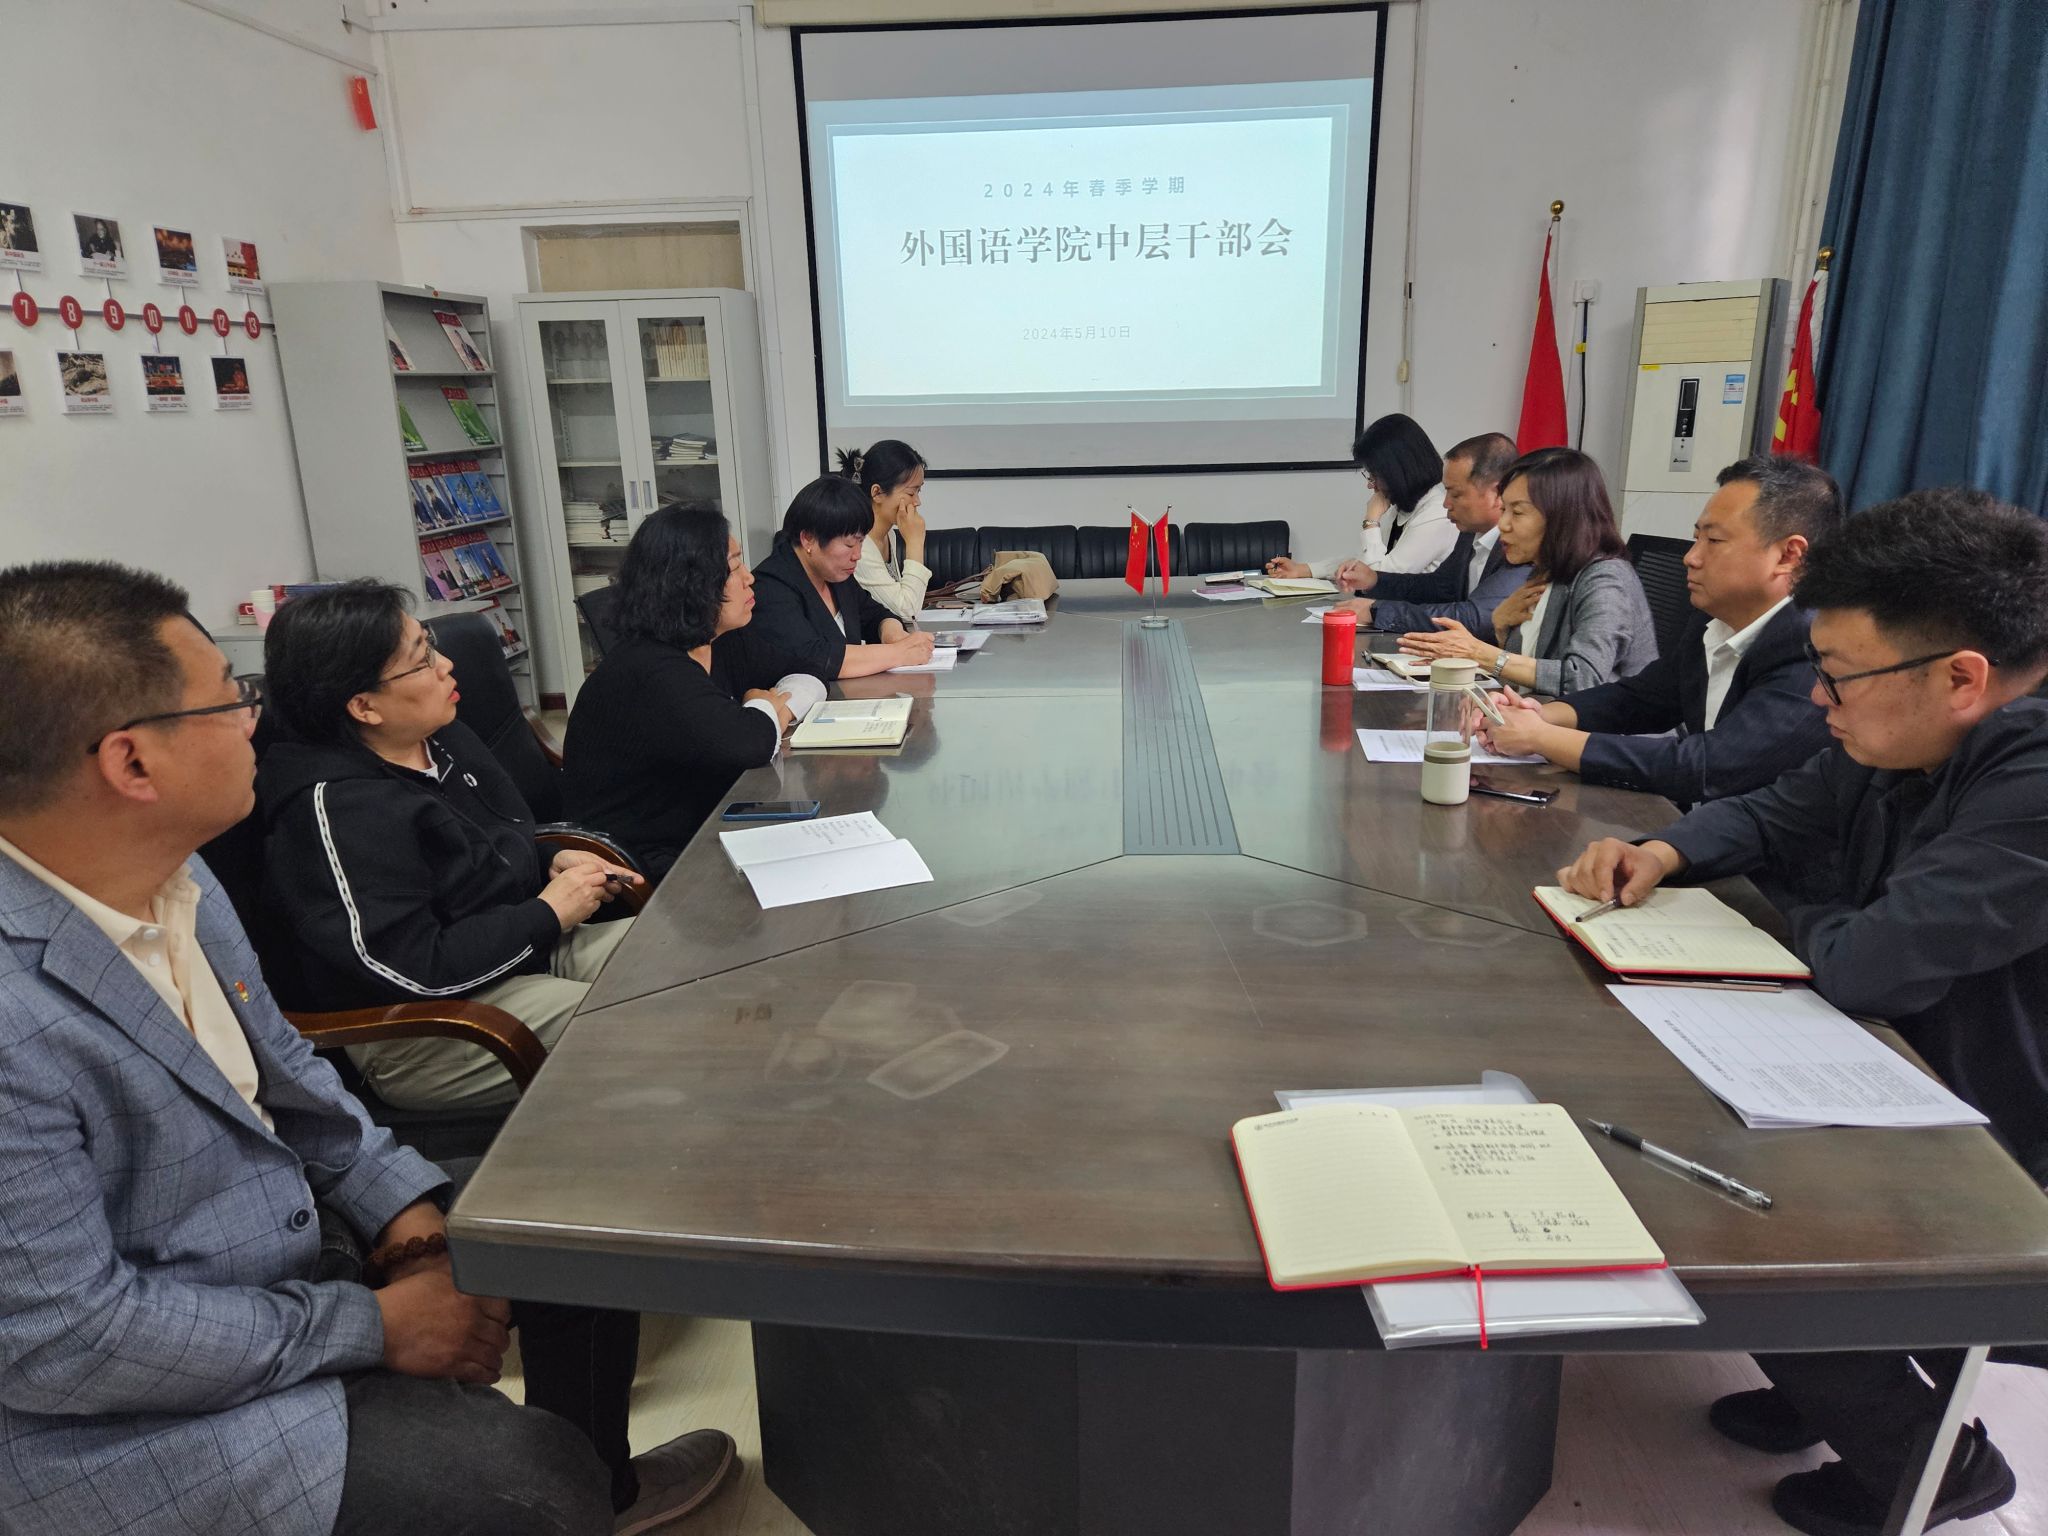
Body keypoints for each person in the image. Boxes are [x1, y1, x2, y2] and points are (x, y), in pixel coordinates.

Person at [0, 560, 734, 1536]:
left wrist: (409, 1221)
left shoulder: (179, 884)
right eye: (231, 700)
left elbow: (292, 1079)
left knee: (567, 1224)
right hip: (135, 1411)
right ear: (132, 764)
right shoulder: (17, 1015)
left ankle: (611, 1485)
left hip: (299, 1244)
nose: (255, 722)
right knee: (527, 1485)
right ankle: (574, 1489)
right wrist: (375, 1326)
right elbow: (68, 1341)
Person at [1554, 488, 2048, 1536]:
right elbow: (1780, 807)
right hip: (1917, 1062)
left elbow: (1867, 964)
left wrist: (1794, 907)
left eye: (1838, 676)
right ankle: (1834, 1376)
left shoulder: (2033, 778)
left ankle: (1930, 1461)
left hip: (2010, 1143)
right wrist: (1663, 849)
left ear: (1961, 678)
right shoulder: (1905, 733)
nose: (1820, 699)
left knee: (1716, 1176)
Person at [257, 582, 641, 1113]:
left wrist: (547, 859)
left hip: (517, 949)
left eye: (430, 645)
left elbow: (477, 847)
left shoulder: (439, 737)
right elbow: (411, 967)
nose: (446, 666)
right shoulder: (338, 807)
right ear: (364, 705)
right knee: (645, 1019)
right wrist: (547, 914)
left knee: (685, 961)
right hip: (423, 1025)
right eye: (422, 661)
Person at [1479, 454, 1841, 805]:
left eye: (1714, 541)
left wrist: (1541, 738)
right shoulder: (1712, 620)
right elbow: (1641, 698)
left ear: (1788, 555)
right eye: (1696, 538)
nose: (1691, 557)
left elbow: (1708, 766)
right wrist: (1539, 713)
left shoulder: (1813, 646)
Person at [564, 505, 816, 883]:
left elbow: (809, 674)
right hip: (641, 866)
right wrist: (764, 703)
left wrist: (775, 709)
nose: (749, 577)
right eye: (734, 567)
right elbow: (750, 744)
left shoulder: (720, 640)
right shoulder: (652, 669)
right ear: (691, 582)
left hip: (707, 823)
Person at [1397, 446, 1656, 694]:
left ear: (1561, 516)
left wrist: (1480, 653)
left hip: (1604, 726)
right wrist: (1501, 630)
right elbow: (1529, 670)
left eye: (1518, 512)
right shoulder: (1545, 571)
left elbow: (1582, 679)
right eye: (1504, 510)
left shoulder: (1606, 579)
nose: (1504, 524)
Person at [1330, 430, 1527, 639]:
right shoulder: (1471, 533)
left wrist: (1378, 611)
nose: (1446, 503)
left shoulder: (1521, 546)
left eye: (1456, 494)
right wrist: (1375, 579)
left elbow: (1475, 618)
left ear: (1497, 494)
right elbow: (1438, 587)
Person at [750, 475, 936, 678]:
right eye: (849, 544)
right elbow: (814, 658)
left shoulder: (835, 575)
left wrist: (892, 633)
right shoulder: (770, 588)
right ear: (808, 539)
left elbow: (875, 614)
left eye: (861, 542)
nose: (857, 555)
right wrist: (898, 653)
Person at [1265, 413, 1458, 583]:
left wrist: (1371, 521)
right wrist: (1304, 569)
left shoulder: (1437, 514)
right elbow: (1363, 562)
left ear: (1398, 472)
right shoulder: (1406, 506)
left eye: (1375, 475)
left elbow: (1380, 579)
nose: (1370, 485)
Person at [843, 440, 932, 622]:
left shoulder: (888, 534)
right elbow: (907, 611)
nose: (917, 502)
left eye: (919, 491)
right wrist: (915, 542)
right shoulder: (860, 547)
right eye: (911, 493)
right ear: (877, 493)